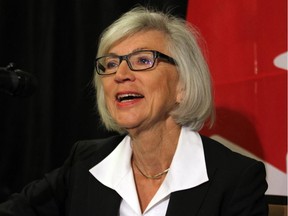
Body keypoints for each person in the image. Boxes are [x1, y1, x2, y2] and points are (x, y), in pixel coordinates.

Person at [0, 6, 268, 216]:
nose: (121, 74)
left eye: (143, 60)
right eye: (111, 63)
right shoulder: (85, 162)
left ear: (182, 86)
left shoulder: (236, 179)